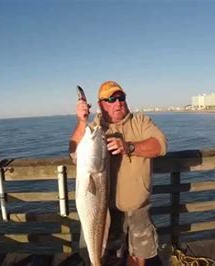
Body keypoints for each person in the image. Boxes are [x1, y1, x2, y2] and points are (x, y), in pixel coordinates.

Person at [69, 81, 167, 266]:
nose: (118, 103)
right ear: (101, 105)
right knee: (108, 256)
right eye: (111, 99)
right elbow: (74, 152)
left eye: (121, 98)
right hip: (107, 210)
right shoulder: (97, 127)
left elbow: (161, 145)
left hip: (138, 205)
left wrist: (130, 146)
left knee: (140, 256)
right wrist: (82, 121)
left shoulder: (141, 121)